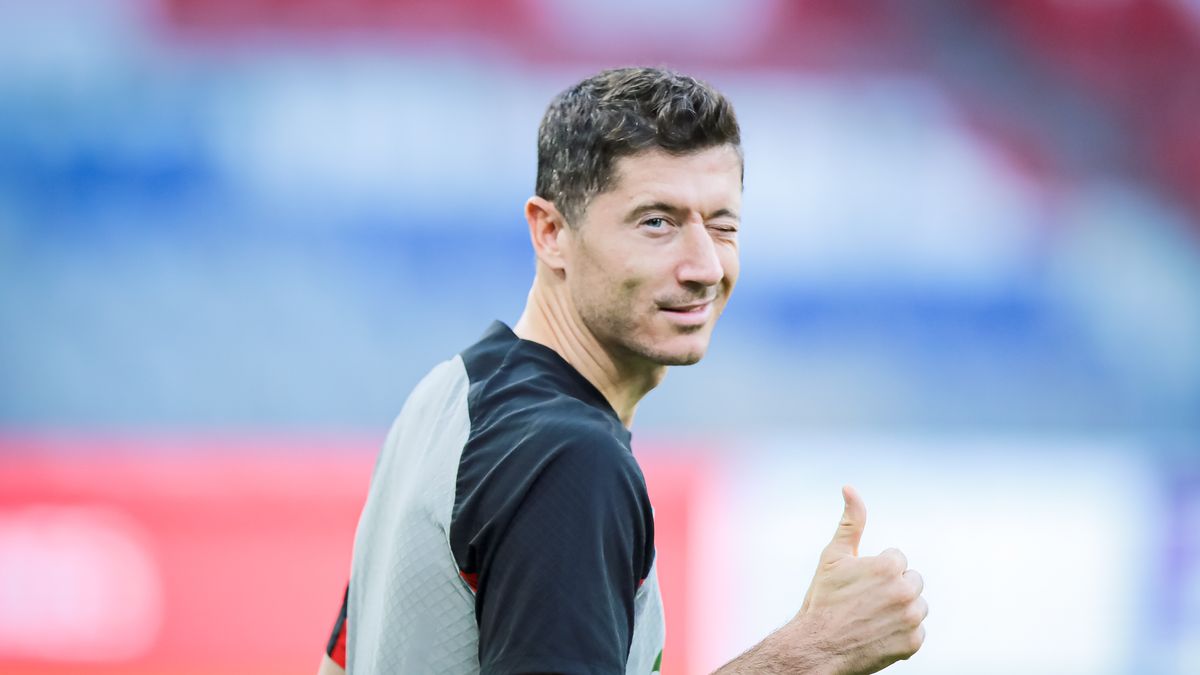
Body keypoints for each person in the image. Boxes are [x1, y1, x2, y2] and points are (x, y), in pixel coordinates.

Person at [317, 66, 927, 675]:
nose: (705, 267)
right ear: (551, 231)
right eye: (657, 222)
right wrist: (814, 652)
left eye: (723, 226)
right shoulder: (570, 459)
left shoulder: (449, 392)